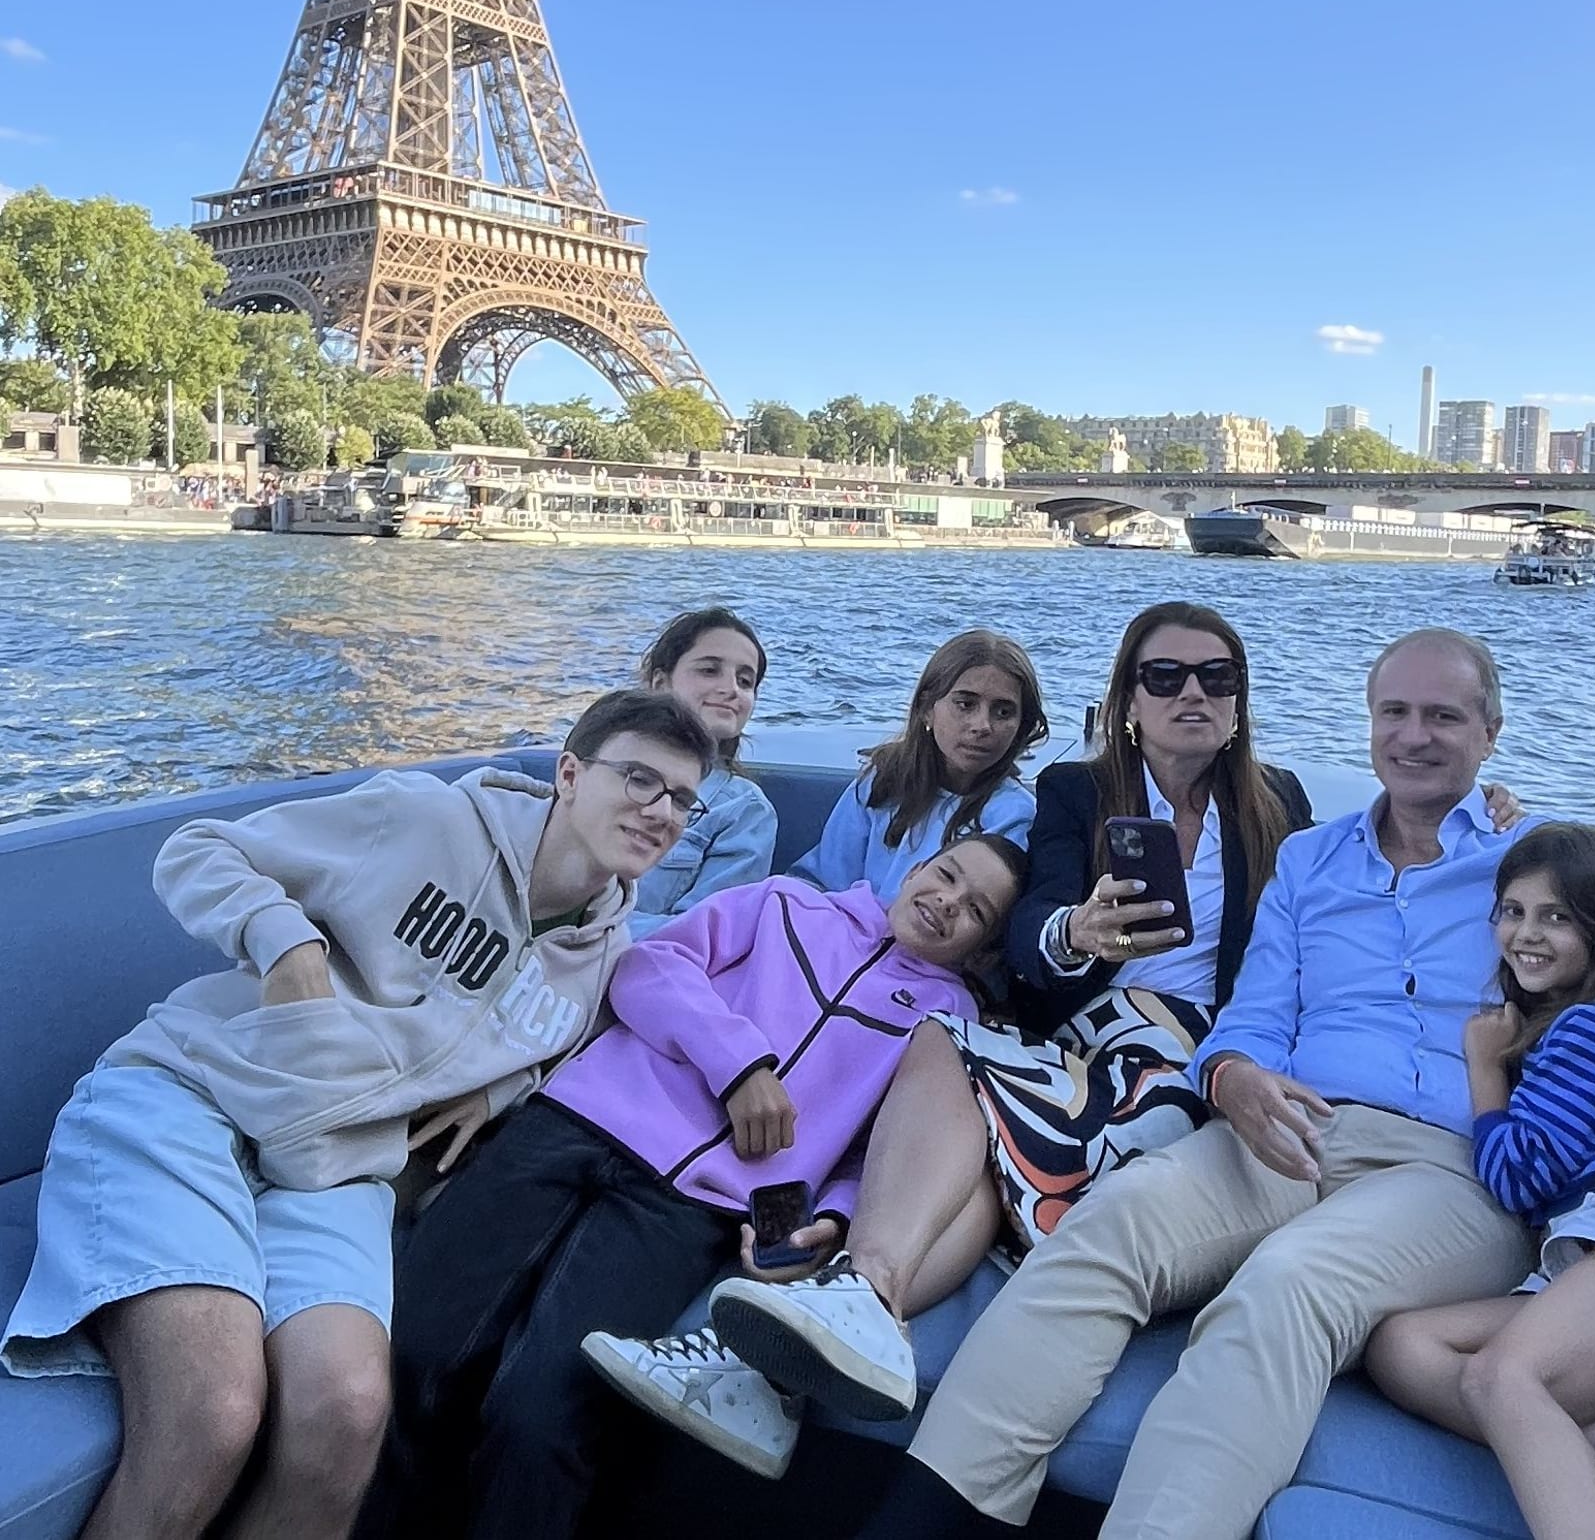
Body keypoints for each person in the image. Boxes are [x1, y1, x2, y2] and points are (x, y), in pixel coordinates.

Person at [841, 626, 1595, 1540]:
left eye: (1443, 716)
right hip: (1290, 1126)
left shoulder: (1536, 854)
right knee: (1105, 1230)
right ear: (1368, 725)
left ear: (1488, 732)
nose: (1415, 736)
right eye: (1395, 713)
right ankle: (926, 1515)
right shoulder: (1310, 859)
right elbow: (1252, 1011)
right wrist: (1229, 1071)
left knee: (1283, 1290)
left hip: (1452, 1168)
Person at [593, 601, 1314, 1472]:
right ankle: (810, 1308)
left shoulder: (1270, 805)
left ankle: (790, 1321)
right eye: (1163, 676)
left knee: (922, 1101)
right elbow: (985, 913)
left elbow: (1301, 926)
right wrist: (1073, 934)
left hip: (1125, 1045)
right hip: (891, 1021)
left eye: (1215, 678)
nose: (1190, 693)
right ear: (1128, 696)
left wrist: (1485, 818)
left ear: (1239, 700)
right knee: (934, 1115)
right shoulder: (1035, 797)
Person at [1, 689, 715, 1540]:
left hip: (334, 1171)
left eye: (680, 798)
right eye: (638, 778)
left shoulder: (602, 959)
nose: (658, 809)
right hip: (190, 1099)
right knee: (213, 1408)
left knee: (346, 1413)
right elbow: (197, 851)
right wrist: (288, 945)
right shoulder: (424, 820)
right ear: (568, 773)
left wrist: (494, 1092)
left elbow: (563, 1053)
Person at [354, 835, 1027, 1540]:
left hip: (690, 1211)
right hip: (574, 1123)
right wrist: (737, 1064)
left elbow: (874, 1156)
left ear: (983, 947)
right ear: (917, 867)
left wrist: (824, 1222)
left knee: (542, 1409)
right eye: (945, 876)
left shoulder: (945, 1024)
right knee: (418, 1351)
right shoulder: (785, 905)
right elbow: (650, 965)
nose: (946, 902)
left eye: (974, 910)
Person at [1366, 823, 1595, 1540]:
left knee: (1501, 1379)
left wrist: (1485, 1068)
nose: (1526, 934)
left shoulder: (1594, 1027)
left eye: (1557, 916)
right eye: (1511, 911)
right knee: (1403, 1347)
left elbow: (1520, 1177)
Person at [791, 630, 1045, 900]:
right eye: (965, 704)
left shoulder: (1014, 816)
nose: (982, 725)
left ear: (1021, 727)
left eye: (1003, 712)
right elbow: (825, 881)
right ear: (927, 708)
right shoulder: (882, 781)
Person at [630, 606, 778, 936]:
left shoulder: (744, 810)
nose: (731, 689)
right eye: (710, 670)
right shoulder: (601, 769)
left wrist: (589, 935)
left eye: (745, 680)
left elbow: (699, 932)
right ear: (660, 683)